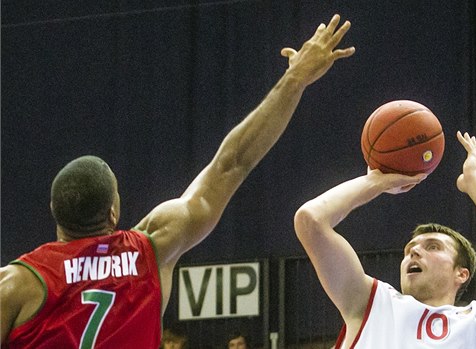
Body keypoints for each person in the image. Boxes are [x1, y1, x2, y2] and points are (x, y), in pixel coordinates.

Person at [0, 14, 355, 348]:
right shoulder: (151, 248)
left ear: (54, 212)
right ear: (112, 211)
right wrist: (295, 79)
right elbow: (232, 163)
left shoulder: (16, 284)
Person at [294, 131, 476, 348]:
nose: (414, 252)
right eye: (409, 249)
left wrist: (475, 183)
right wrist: (375, 182)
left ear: (461, 274)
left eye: (433, 247)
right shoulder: (369, 302)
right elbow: (310, 221)